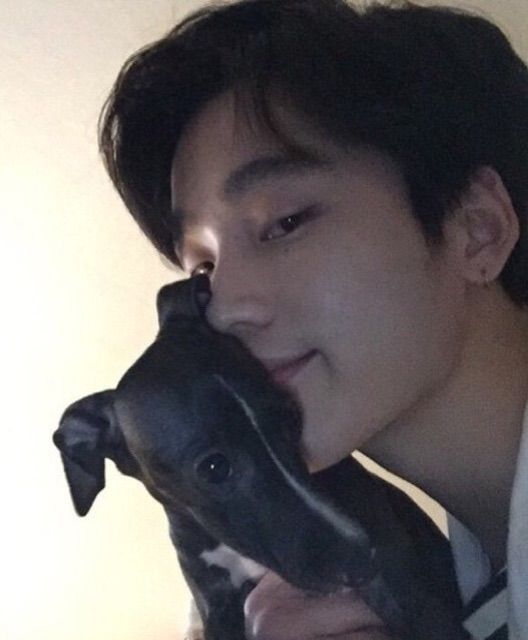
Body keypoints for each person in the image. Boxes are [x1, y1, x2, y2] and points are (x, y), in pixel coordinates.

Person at [98, 0, 528, 638]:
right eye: (202, 268)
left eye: (284, 223)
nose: (224, 308)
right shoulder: (476, 589)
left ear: (477, 227)